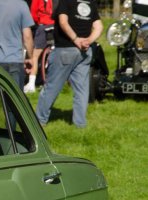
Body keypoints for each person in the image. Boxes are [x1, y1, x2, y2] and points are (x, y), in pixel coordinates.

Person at [35, 0, 102, 128]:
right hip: (85, 52)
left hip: (65, 49)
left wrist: (76, 39)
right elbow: (99, 27)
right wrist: (88, 41)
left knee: (51, 87)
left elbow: (63, 22)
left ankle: (39, 121)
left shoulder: (65, 1)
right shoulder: (90, 2)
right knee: (81, 90)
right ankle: (80, 123)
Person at [0, 0, 33, 127]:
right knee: (13, 104)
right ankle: (11, 134)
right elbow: (27, 35)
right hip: (14, 61)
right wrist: (30, 57)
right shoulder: (21, 5)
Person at [24, 0, 55, 93]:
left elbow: (33, 15)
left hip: (43, 27)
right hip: (55, 27)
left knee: (35, 56)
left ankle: (31, 84)